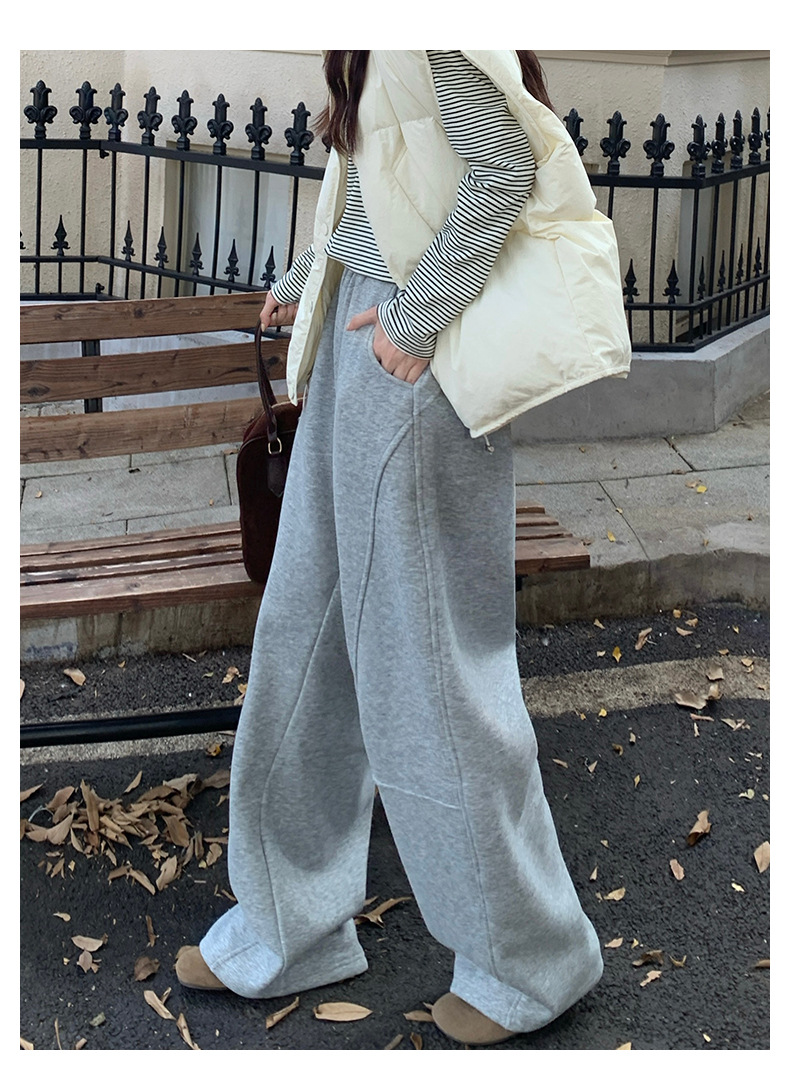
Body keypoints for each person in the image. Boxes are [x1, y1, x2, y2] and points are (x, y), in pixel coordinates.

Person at [175, 50, 630, 1047]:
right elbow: (392, 182)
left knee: (429, 669)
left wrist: (416, 319)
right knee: (305, 635)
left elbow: (502, 167)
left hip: (418, 356)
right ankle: (289, 922)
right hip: (363, 335)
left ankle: (529, 959)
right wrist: (314, 275)